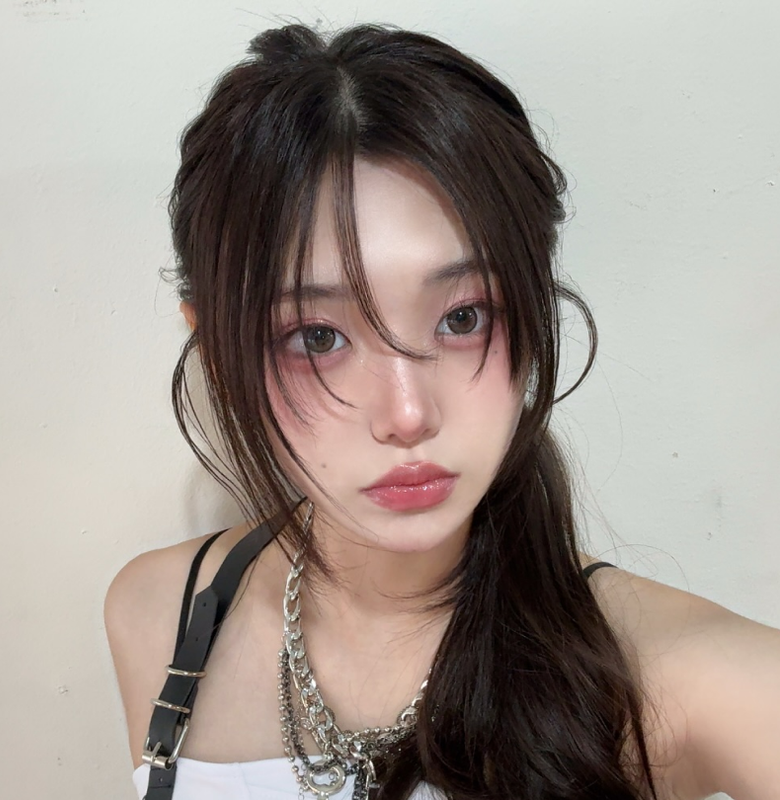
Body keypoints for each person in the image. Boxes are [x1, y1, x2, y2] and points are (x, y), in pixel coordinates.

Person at [103, 21, 780, 800]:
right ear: (217, 354)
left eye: (463, 318)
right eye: (316, 337)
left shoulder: (683, 680)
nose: (407, 413)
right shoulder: (158, 613)